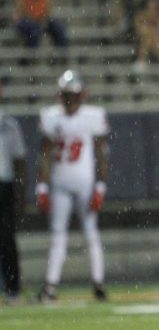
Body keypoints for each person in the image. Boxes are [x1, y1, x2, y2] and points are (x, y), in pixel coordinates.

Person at [36, 70, 110, 303]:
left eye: (73, 95)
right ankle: (51, 286)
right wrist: (43, 187)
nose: (70, 100)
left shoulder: (92, 117)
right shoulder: (52, 117)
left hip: (85, 184)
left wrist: (100, 187)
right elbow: (45, 154)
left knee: (91, 233)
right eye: (66, 96)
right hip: (59, 183)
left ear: (82, 95)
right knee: (58, 235)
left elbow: (101, 154)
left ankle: (98, 284)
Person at [0, 77, 25, 304]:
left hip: (3, 184)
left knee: (6, 238)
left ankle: (13, 287)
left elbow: (19, 161)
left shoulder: (8, 123)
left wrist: (20, 191)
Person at [132, 0, 159, 71]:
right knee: (149, 39)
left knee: (151, 39)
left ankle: (141, 60)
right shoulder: (141, 16)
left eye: (154, 7)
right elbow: (139, 30)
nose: (152, 9)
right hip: (147, 40)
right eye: (150, 7)